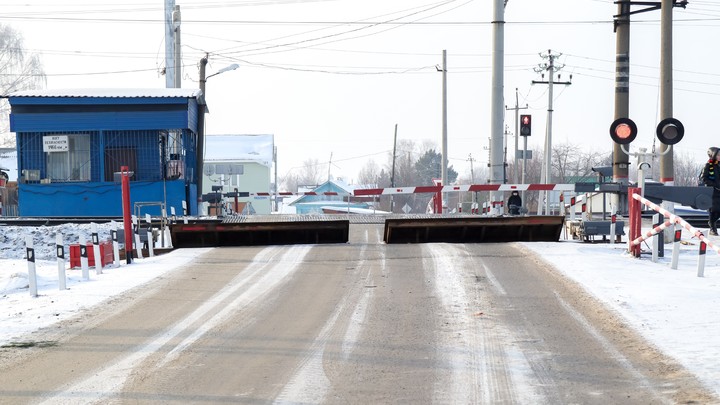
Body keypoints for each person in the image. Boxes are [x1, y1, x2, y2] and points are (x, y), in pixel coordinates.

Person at [701, 147, 720, 235]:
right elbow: (703, 178)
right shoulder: (709, 165)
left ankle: (712, 222)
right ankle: (713, 228)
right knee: (714, 210)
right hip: (713, 191)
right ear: (713, 155)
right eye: (718, 155)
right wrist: (713, 185)